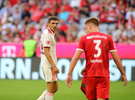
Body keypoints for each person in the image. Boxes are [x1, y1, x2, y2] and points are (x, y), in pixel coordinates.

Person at [65, 17, 127, 100]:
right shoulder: (108, 38)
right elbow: (116, 58)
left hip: (90, 76)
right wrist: (123, 73)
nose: (86, 31)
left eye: (86, 28)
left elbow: (75, 58)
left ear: (90, 26)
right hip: (103, 75)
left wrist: (69, 74)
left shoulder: (84, 38)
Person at [37, 16, 59, 100]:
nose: (55, 25)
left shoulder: (49, 33)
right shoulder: (47, 34)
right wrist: (54, 66)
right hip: (49, 65)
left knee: (55, 88)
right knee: (50, 90)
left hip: (48, 64)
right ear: (48, 24)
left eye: (56, 23)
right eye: (53, 23)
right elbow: (46, 52)